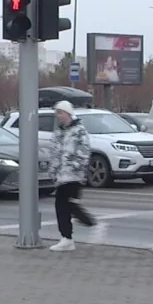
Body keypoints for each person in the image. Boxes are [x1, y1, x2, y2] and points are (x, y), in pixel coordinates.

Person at [49, 101, 95, 252]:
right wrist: (54, 170)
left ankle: (74, 234)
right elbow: (55, 152)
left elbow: (85, 152)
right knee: (66, 206)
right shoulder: (59, 132)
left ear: (68, 114)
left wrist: (74, 166)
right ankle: (69, 237)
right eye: (57, 113)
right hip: (61, 176)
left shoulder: (79, 131)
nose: (58, 116)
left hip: (74, 176)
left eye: (60, 113)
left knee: (65, 205)